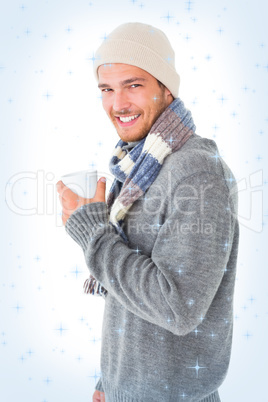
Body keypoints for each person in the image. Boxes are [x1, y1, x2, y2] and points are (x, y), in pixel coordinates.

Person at [57, 22, 239, 402]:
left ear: (166, 89)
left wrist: (92, 232)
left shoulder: (196, 172)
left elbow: (177, 307)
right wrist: (110, 380)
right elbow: (127, 296)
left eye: (134, 85)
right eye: (107, 89)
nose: (118, 104)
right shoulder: (139, 165)